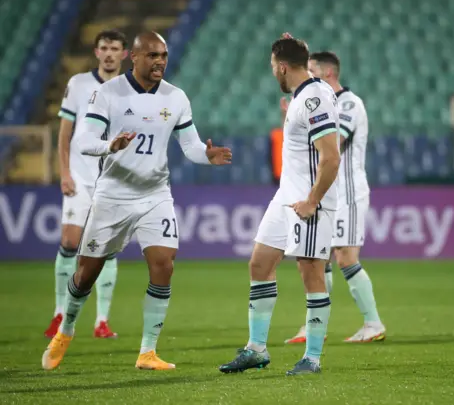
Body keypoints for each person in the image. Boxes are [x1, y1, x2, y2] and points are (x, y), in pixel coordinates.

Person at [41, 31, 232, 371]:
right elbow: (84, 140)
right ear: (135, 57)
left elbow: (190, 146)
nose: (160, 61)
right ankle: (66, 330)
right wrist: (109, 145)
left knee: (164, 264)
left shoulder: (176, 98)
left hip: (155, 194)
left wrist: (208, 154)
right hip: (112, 194)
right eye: (153, 55)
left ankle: (147, 352)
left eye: (164, 55)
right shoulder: (108, 93)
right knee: (85, 274)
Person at [219, 34, 340, 376]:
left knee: (311, 272)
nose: (273, 72)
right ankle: (256, 349)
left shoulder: (315, 98)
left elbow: (331, 158)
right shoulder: (303, 95)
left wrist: (313, 201)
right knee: (259, 263)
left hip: (309, 202)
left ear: (283, 67)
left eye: (274, 66)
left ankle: (312, 359)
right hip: (286, 196)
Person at [283, 51, 385, 344]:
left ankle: (373, 323)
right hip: (331, 193)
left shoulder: (349, 104)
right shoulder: (321, 102)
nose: (307, 75)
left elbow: (332, 143)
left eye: (312, 70)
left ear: (328, 73)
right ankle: (315, 326)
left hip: (348, 194)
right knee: (319, 256)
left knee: (345, 256)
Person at [45, 29, 128, 340]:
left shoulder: (129, 89)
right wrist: (64, 172)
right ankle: (58, 313)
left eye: (114, 48)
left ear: (124, 54)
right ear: (96, 52)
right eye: (104, 48)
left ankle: (101, 321)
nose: (108, 53)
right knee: (70, 242)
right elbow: (65, 133)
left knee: (106, 249)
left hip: (112, 180)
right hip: (80, 176)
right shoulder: (78, 84)